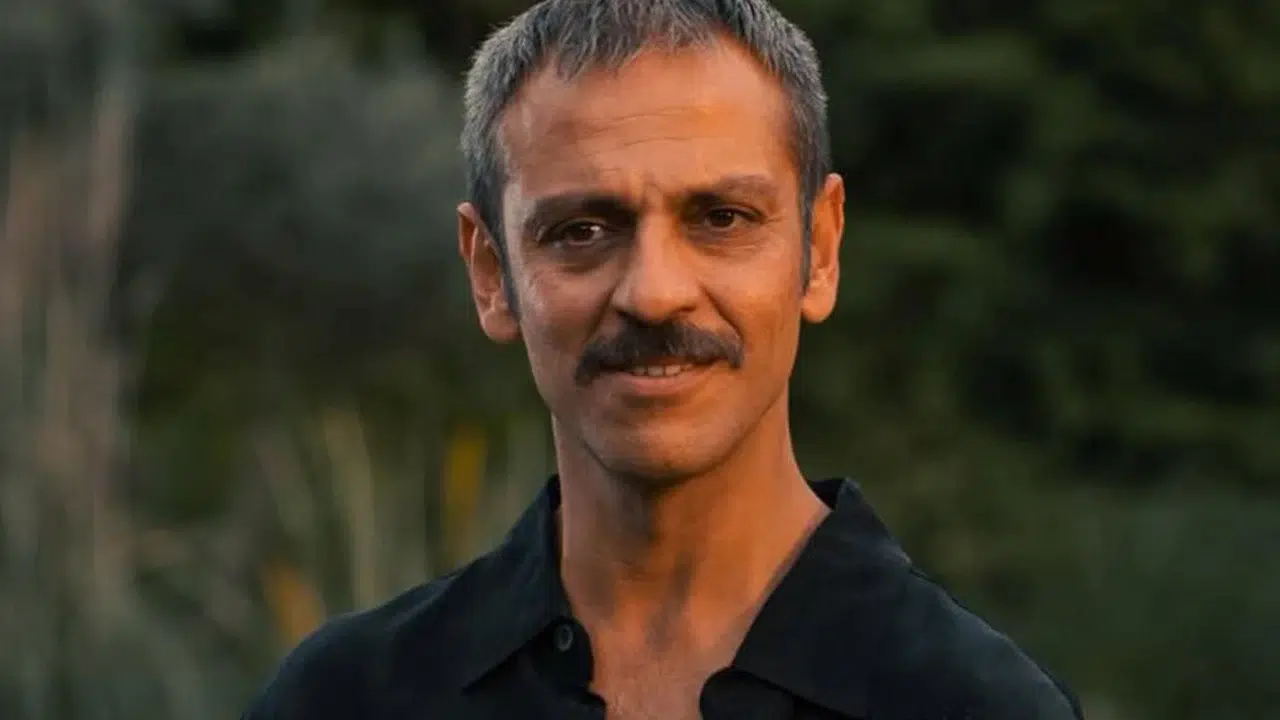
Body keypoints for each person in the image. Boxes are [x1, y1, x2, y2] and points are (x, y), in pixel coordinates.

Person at [243, 1, 1085, 718]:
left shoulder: (976, 706)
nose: (654, 294)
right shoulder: (346, 699)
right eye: (582, 230)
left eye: (721, 218)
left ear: (820, 250)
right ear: (491, 274)